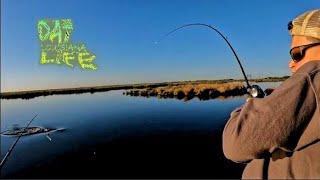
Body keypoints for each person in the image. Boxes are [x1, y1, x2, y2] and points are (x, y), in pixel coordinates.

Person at [222, 9, 320, 179]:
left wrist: (251, 105)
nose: (291, 64)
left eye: (297, 54)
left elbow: (235, 143)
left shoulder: (313, 74)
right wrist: (275, 100)